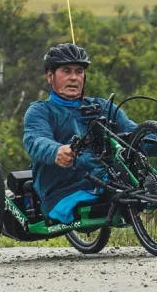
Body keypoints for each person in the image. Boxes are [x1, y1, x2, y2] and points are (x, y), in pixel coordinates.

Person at [21, 42, 144, 224]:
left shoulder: (101, 107)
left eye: (79, 72)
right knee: (122, 188)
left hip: (108, 179)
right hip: (63, 189)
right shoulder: (40, 111)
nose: (74, 78)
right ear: (50, 76)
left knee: (154, 183)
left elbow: (133, 135)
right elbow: (35, 140)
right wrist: (56, 151)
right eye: (66, 71)